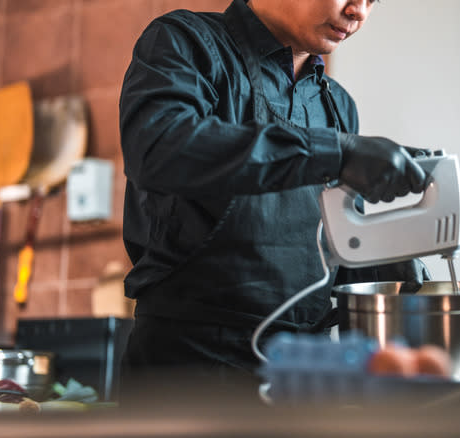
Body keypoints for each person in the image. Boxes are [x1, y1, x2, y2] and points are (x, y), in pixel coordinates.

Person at [118, 0, 431, 383]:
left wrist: (389, 267)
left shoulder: (338, 106)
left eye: (372, 0)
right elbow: (160, 149)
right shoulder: (186, 42)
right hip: (188, 366)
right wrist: (335, 152)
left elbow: (334, 247)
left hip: (305, 372)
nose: (358, 11)